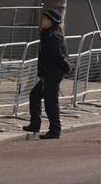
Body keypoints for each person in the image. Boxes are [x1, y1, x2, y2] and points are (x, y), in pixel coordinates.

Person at [24, 8, 71, 139]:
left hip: (53, 73)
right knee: (34, 95)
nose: (43, 21)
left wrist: (67, 67)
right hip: (48, 73)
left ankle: (55, 130)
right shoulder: (48, 34)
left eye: (45, 19)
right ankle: (35, 124)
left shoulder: (53, 36)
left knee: (51, 101)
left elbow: (58, 55)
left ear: (51, 22)